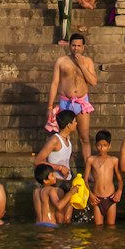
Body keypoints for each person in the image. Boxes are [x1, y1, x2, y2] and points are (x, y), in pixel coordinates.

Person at [48, 32, 99, 168]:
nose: (76, 48)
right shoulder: (61, 61)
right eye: (73, 45)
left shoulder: (88, 62)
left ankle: (88, 171)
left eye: (79, 46)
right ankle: (63, 166)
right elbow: (54, 83)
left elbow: (93, 82)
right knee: (64, 137)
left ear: (83, 47)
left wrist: (81, 65)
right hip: (66, 101)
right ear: (69, 46)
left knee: (84, 137)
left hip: (82, 103)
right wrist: (50, 106)